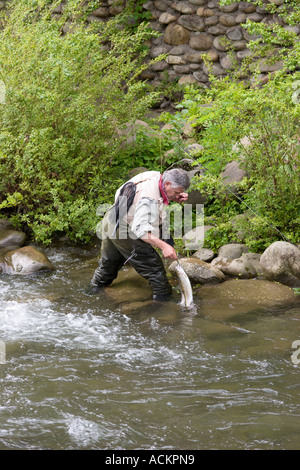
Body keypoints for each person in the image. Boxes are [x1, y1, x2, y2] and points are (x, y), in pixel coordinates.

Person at [88, 168, 190, 301]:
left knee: (108, 265)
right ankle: (163, 307)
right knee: (155, 271)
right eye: (177, 192)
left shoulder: (156, 176)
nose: (177, 195)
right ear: (168, 183)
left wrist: (175, 196)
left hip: (112, 219)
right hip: (126, 230)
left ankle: (90, 294)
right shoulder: (148, 199)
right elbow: (140, 230)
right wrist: (164, 246)